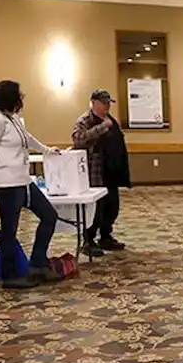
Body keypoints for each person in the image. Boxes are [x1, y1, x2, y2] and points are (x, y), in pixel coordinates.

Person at [0, 80, 64, 289]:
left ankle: (38, 264)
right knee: (9, 230)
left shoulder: (12, 119)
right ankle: (10, 276)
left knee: (49, 215)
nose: (22, 98)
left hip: (23, 181)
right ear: (10, 97)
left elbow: (27, 139)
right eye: (19, 95)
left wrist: (47, 150)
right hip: (6, 184)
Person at [71, 89, 131, 255]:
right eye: (103, 103)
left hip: (111, 171)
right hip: (95, 173)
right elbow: (78, 140)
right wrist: (101, 128)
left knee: (112, 207)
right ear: (93, 102)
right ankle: (88, 241)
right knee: (95, 210)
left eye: (108, 103)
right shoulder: (85, 120)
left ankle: (105, 236)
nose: (106, 107)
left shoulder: (111, 120)